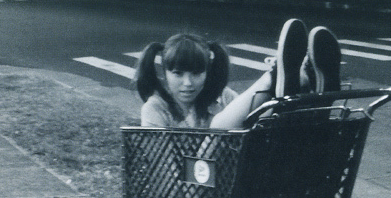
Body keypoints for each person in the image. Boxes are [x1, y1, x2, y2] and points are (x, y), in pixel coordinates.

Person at [135, 19, 342, 130]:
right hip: (190, 190)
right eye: (178, 74)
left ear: (208, 71)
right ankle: (274, 77)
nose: (187, 83)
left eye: (197, 73)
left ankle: (305, 90)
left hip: (236, 182)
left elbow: (256, 124)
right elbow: (163, 171)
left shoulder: (222, 97)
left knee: (262, 119)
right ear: (165, 72)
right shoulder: (155, 109)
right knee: (218, 128)